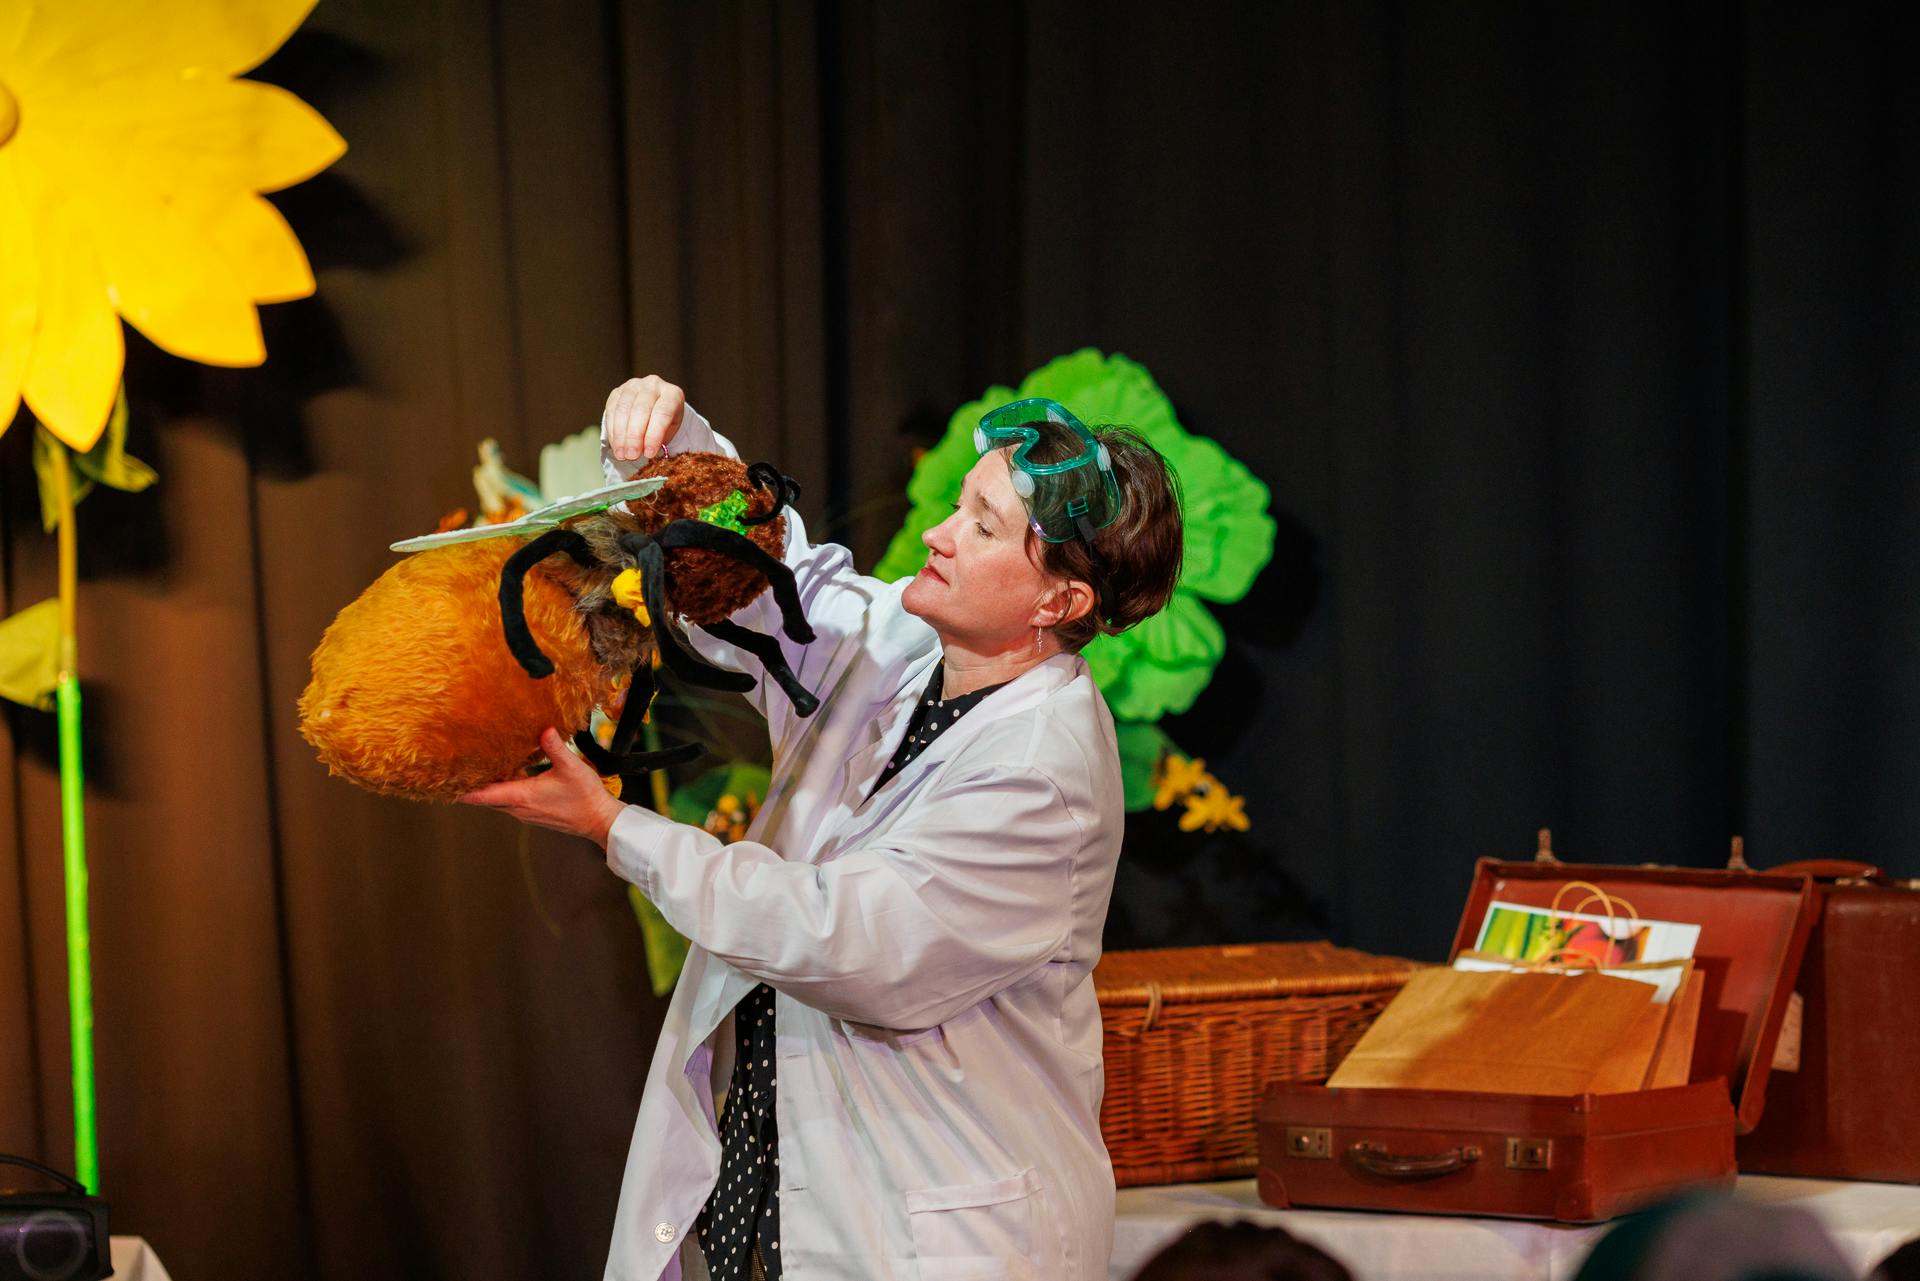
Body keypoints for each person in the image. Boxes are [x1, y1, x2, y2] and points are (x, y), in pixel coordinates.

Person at [461, 374, 1185, 1280]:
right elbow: (771, 577)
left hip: (935, 1231)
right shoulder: (900, 644)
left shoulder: (1044, 771)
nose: (939, 533)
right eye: (960, 506)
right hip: (776, 1178)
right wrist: (668, 445)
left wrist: (616, 827)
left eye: (985, 527)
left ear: (1061, 602)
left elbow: (842, 936)